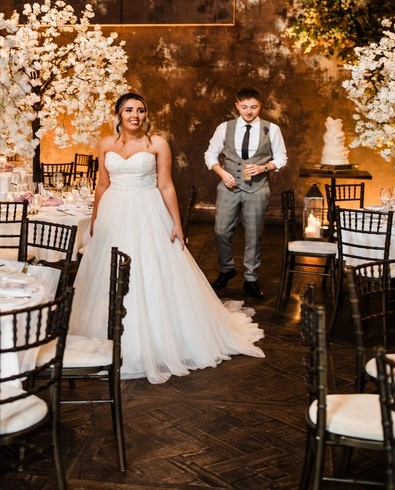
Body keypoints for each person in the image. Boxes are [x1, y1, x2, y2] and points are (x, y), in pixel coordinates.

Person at [69, 92, 265, 385]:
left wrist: (176, 224)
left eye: (140, 110)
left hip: (148, 212)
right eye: (129, 110)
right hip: (112, 214)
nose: (135, 115)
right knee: (107, 273)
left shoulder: (157, 143)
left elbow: (166, 185)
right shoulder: (106, 144)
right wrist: (96, 218)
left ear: (146, 115)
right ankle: (101, 339)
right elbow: (102, 184)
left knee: (150, 270)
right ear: (119, 115)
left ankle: (154, 339)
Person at [204, 87, 287, 300]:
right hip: (228, 186)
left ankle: (251, 278)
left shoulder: (272, 129)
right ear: (237, 106)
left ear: (260, 105)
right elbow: (210, 154)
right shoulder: (225, 128)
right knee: (221, 230)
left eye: (253, 107)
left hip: (258, 189)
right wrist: (222, 173)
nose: (248, 112)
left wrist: (263, 168)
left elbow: (281, 158)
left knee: (253, 234)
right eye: (244, 107)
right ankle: (227, 269)